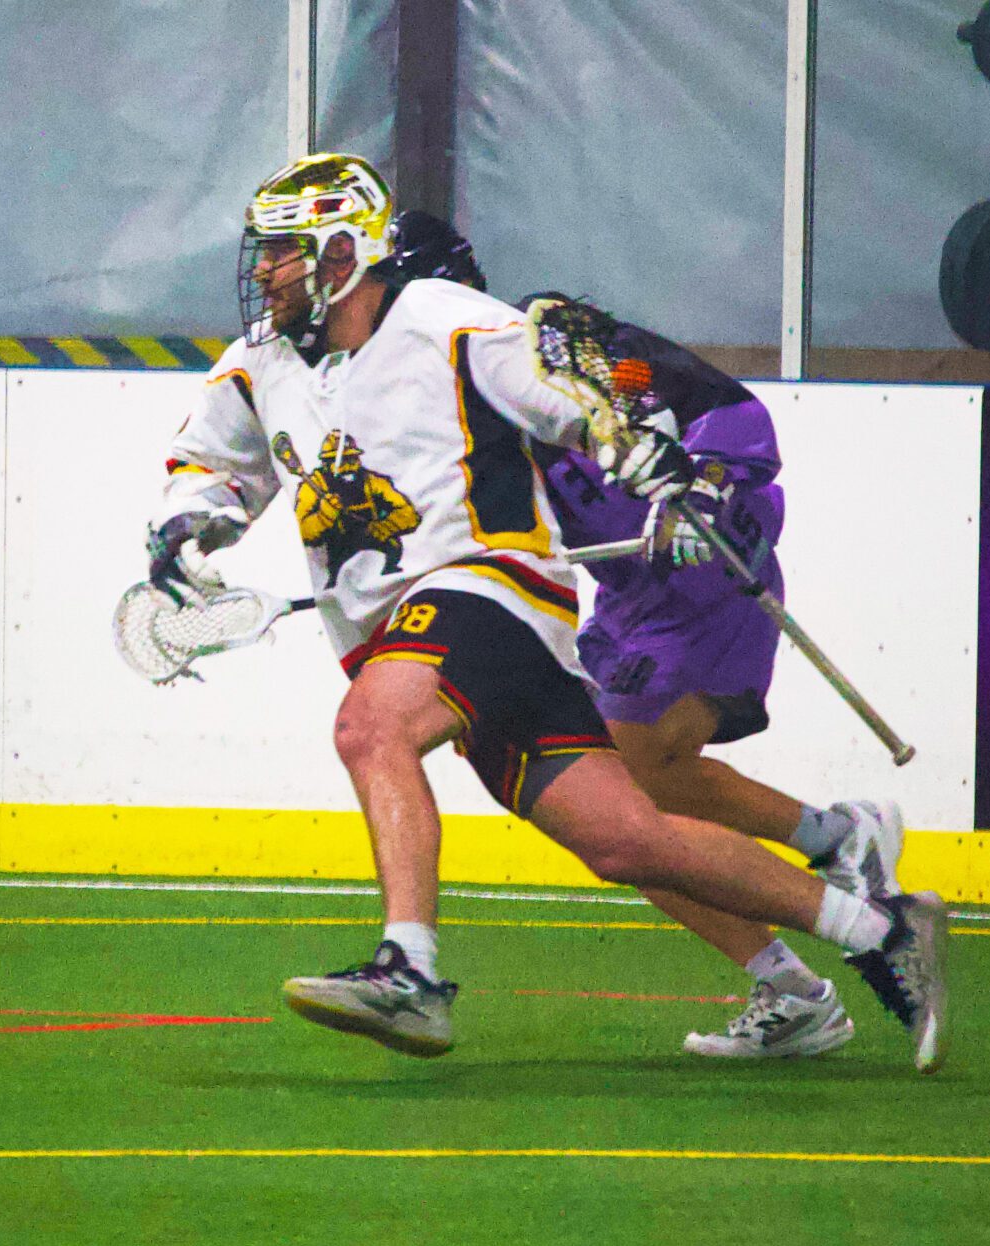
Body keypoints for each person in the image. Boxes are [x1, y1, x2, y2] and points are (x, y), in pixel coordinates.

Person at [144, 152, 948, 1073]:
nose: (261, 271)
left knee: (370, 729)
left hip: (490, 592)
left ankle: (409, 968)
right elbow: (211, 467)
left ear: (340, 252)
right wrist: (185, 527)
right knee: (628, 839)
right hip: (426, 638)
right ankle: (881, 929)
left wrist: (627, 441)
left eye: (280, 252)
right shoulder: (257, 368)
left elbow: (562, 394)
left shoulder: (442, 317)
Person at [375, 209, 908, 1060]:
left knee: (629, 791)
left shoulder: (560, 348)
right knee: (627, 813)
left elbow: (723, 409)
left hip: (708, 579)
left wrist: (707, 489)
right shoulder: (440, 401)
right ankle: (823, 872)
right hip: (626, 601)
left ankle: (813, 931)